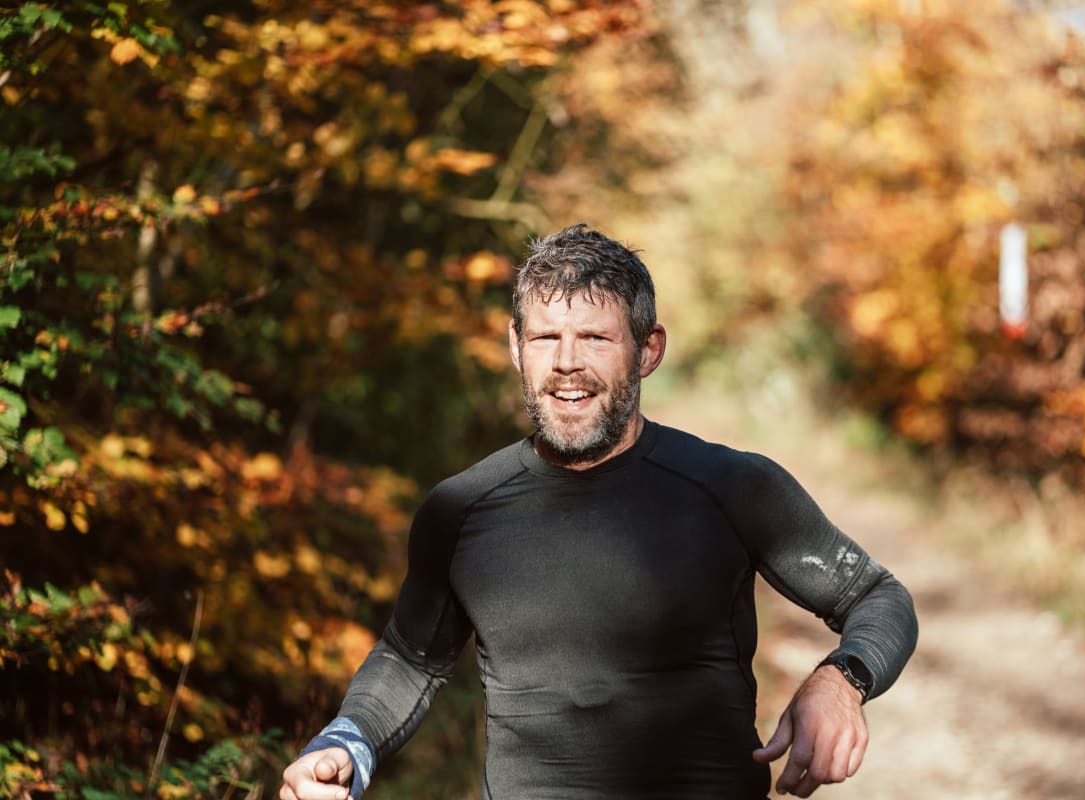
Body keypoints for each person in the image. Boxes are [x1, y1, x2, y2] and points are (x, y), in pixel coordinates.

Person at [280, 223, 918, 800]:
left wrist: (841, 681)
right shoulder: (461, 509)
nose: (566, 363)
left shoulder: (731, 487)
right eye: (545, 337)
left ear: (648, 350)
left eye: (594, 338)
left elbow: (877, 596)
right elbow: (409, 658)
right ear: (516, 346)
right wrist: (345, 744)